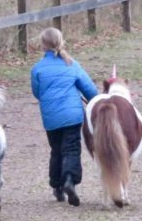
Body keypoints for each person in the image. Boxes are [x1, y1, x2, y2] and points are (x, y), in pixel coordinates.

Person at [30, 27, 98, 207]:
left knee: (56, 149)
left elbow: (37, 93)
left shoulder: (37, 69)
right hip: (73, 115)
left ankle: (57, 186)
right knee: (72, 148)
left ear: (42, 45)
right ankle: (70, 179)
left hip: (51, 117)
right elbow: (90, 90)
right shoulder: (72, 64)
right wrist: (96, 103)